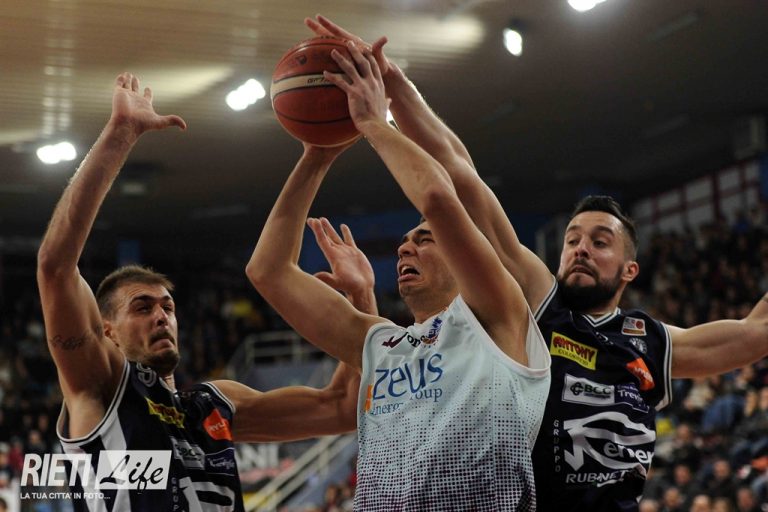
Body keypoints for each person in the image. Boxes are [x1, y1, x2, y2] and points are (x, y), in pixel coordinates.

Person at [304, 15, 768, 512]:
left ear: (629, 270)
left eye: (600, 241)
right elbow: (461, 172)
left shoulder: (649, 341)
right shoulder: (539, 305)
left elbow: (753, 334)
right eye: (572, 239)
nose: (581, 248)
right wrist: (396, 87)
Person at [36, 72, 365, 512]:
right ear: (107, 331)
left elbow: (343, 407)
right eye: (142, 307)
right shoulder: (100, 385)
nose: (161, 316)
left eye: (168, 306)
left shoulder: (214, 404)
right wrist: (120, 134)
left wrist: (317, 157)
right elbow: (55, 267)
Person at [247, 42, 550, 511]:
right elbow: (268, 271)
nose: (406, 247)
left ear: (469, 252)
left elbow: (439, 199)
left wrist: (374, 123)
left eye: (425, 239)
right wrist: (317, 155)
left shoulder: (499, 314)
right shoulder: (382, 345)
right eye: (405, 242)